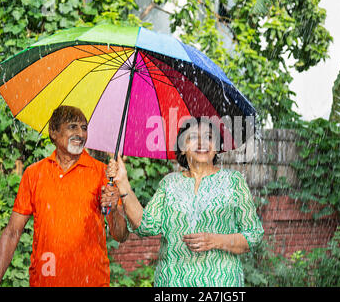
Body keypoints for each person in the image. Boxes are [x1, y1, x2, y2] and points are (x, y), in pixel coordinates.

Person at [105, 117, 264, 286]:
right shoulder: (169, 183)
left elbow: (253, 235)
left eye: (209, 137)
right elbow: (144, 225)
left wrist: (216, 240)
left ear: (217, 148)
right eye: (193, 137)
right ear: (182, 148)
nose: (202, 143)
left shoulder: (233, 181)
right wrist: (123, 183)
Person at [0, 105, 128, 287]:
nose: (80, 133)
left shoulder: (102, 174)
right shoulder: (34, 174)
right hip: (45, 282)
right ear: (53, 132)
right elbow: (12, 233)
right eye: (73, 126)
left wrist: (113, 211)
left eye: (84, 128)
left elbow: (121, 235)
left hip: (92, 282)